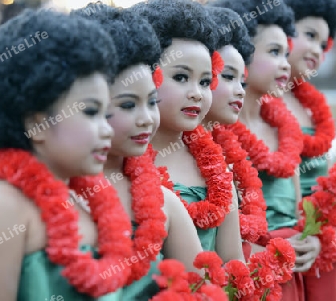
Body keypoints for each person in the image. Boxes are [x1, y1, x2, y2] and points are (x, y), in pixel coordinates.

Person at [0, 8, 133, 300]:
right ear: (36, 123)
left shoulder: (88, 200)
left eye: (107, 114)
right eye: (91, 112)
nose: (107, 130)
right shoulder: (4, 208)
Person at [72, 3, 204, 300]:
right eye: (129, 105)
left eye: (152, 102)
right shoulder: (48, 201)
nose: (146, 118)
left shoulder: (165, 204)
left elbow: (201, 289)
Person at [216, 0, 320, 300]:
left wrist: (311, 240)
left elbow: (300, 210)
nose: (286, 64)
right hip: (250, 271)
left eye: (286, 54)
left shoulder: (285, 129)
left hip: (292, 271)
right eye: (274, 53)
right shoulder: (219, 134)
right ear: (241, 55)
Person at [132, 0, 245, 262]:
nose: (196, 93)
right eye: (181, 77)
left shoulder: (217, 170)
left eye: (205, 81)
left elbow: (232, 262)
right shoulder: (118, 163)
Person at [282, 0, 336, 300]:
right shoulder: (253, 104)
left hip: (320, 240)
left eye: (324, 42)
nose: (318, 48)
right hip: (287, 240)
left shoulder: (312, 107)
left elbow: (323, 178)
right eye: (309, 36)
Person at [201, 4, 267, 259]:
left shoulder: (223, 163)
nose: (240, 90)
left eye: (243, 81)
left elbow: (233, 263)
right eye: (227, 77)